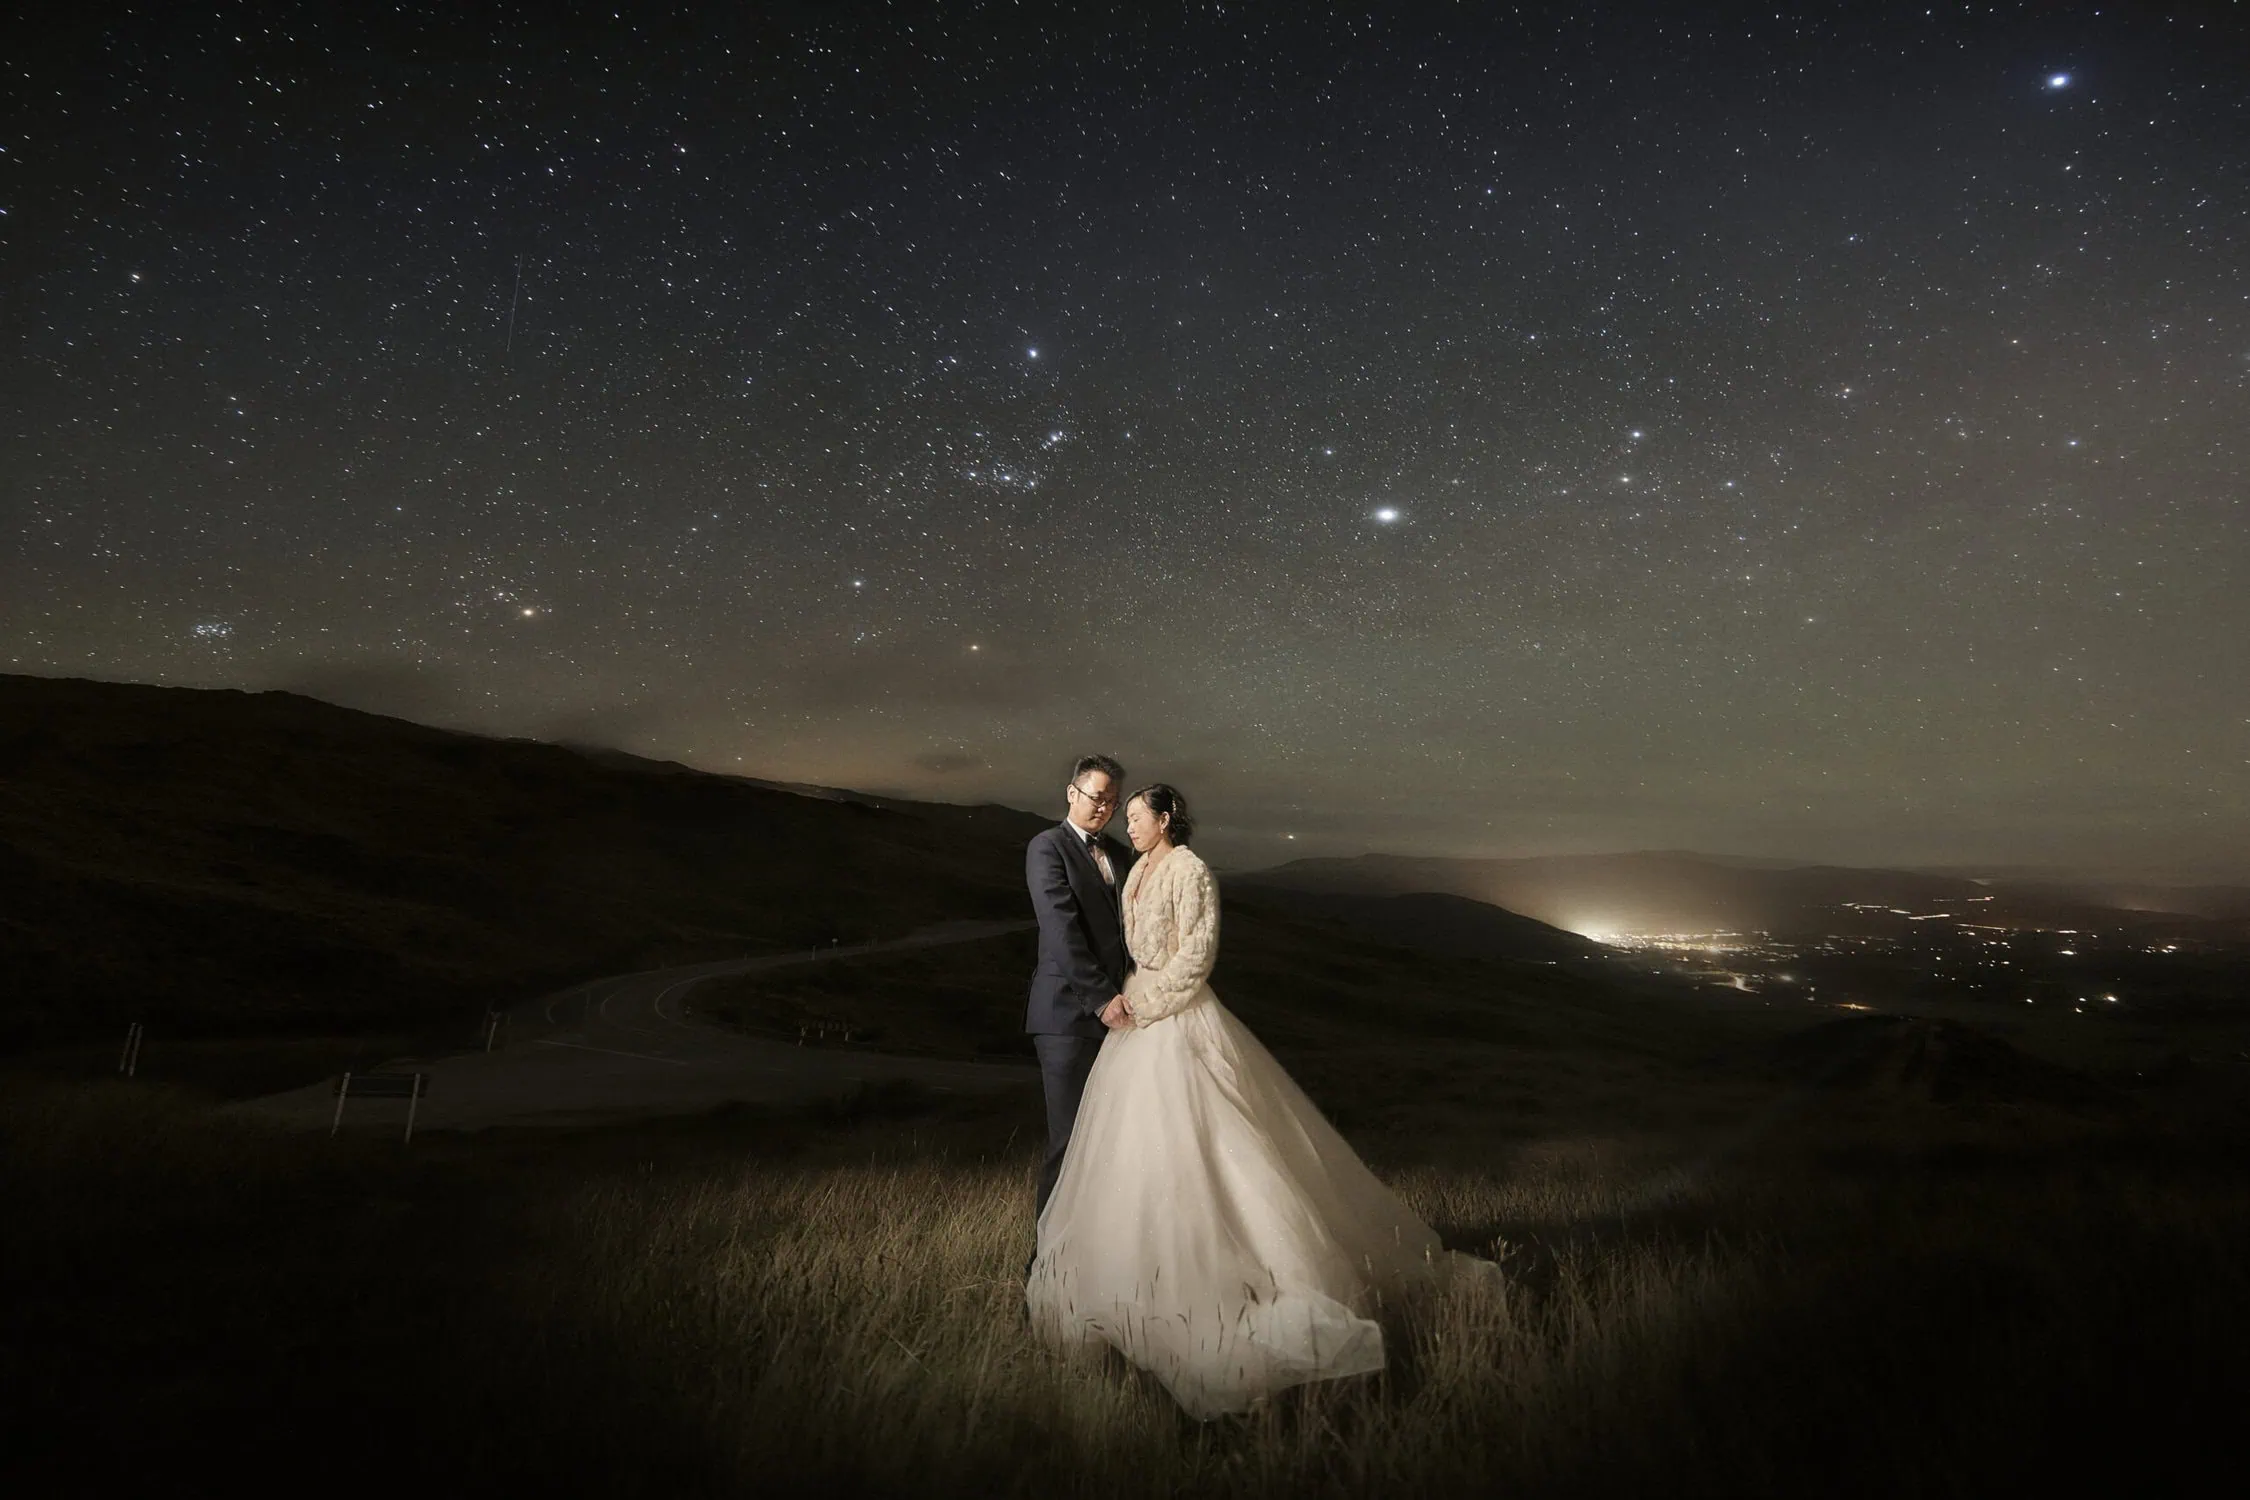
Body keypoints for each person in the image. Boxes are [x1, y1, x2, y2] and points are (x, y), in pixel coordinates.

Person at [1025, 783, 1490, 1419]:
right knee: (1132, 1154)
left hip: (1175, 1018)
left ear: (1166, 820)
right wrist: (1127, 1001)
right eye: (1124, 816)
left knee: (1213, 1142)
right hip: (1134, 1021)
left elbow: (1197, 957)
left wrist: (1149, 1005)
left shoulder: (1191, 869)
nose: (1127, 825)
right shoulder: (1136, 870)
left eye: (1137, 816)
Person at [1023, 754, 1136, 1222]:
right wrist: (1102, 998)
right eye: (1097, 797)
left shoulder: (1120, 855)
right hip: (1067, 1016)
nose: (1104, 808)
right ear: (1072, 793)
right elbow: (1061, 929)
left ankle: (1089, 1247)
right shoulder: (1047, 847)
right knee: (1068, 1141)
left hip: (1119, 1018)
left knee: (1108, 1141)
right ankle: (1045, 1254)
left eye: (1113, 802)